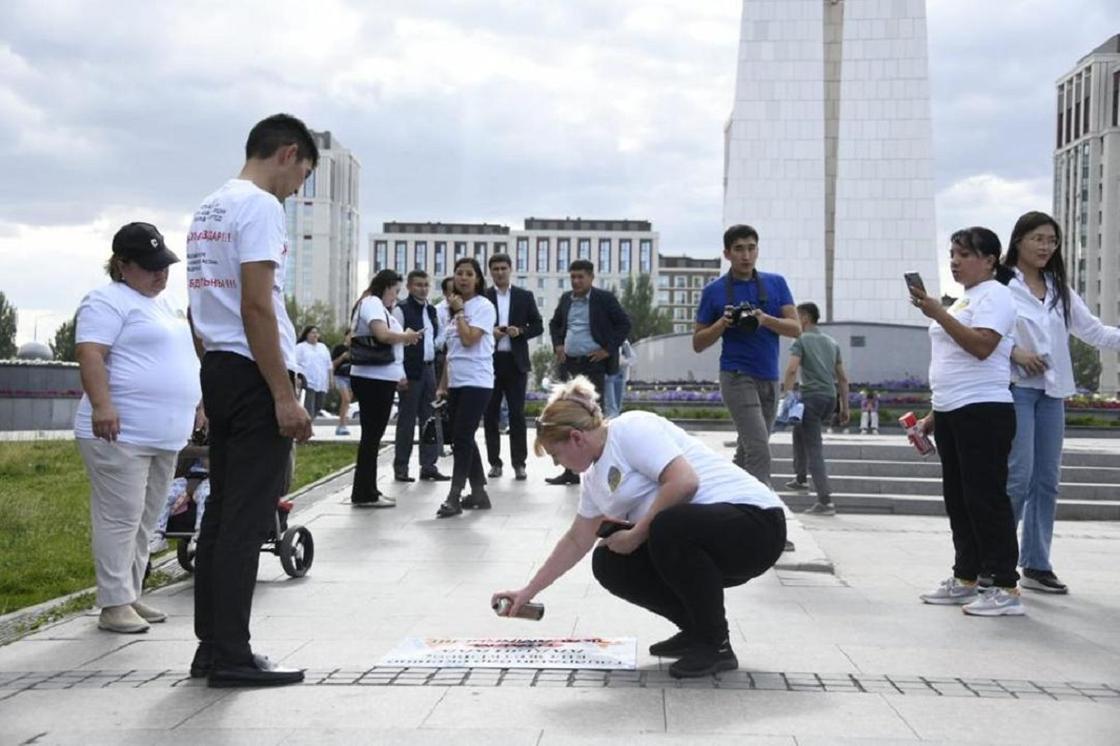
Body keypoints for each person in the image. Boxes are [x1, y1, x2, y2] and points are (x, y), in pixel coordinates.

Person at [492, 376, 786, 678]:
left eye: (556, 454)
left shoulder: (631, 429)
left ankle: (715, 644)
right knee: (609, 561)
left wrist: (636, 533)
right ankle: (698, 629)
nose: (557, 464)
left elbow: (685, 483)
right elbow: (577, 539)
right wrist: (527, 591)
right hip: (707, 541)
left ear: (577, 438)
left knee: (667, 526)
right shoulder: (592, 478)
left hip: (757, 527)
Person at [185, 113, 316, 687]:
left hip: (219, 365)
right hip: (253, 370)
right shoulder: (262, 207)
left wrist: (212, 378)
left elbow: (198, 309)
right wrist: (282, 396)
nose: (297, 190)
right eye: (302, 176)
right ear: (287, 154)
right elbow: (257, 306)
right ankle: (234, 654)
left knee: (219, 513)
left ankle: (211, 647)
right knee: (246, 515)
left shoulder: (207, 208)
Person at [74, 222, 201, 634]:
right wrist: (103, 405)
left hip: (164, 435)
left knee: (147, 520)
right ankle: (113, 604)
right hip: (119, 432)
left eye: (163, 265)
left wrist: (198, 401)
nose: (160, 273)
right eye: (149, 267)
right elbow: (90, 354)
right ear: (122, 265)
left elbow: (183, 356)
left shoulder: (165, 305)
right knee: (120, 517)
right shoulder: (105, 301)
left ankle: (129, 593)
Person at [1002, 211, 1120, 594]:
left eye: (1052, 240)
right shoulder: (1001, 284)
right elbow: (976, 332)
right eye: (1038, 238)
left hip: (1052, 393)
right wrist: (1014, 352)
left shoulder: (1059, 288)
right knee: (1018, 477)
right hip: (1016, 389)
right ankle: (997, 559)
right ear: (1019, 240)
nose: (1046, 246)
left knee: (1047, 481)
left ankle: (1036, 563)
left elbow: (1095, 332)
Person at [908, 227, 1024, 617]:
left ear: (990, 260)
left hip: (984, 411)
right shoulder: (964, 301)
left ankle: (1006, 586)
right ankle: (966, 577)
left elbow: (980, 347)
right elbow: (949, 363)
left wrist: (937, 311)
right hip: (953, 410)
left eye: (964, 254)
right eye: (953, 253)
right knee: (959, 500)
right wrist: (933, 415)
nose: (955, 261)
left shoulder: (998, 296)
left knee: (986, 499)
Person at [693, 225, 801, 486]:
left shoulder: (776, 284)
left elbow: (796, 328)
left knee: (747, 449)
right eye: (739, 249)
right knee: (759, 451)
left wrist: (764, 319)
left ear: (757, 250)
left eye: (751, 248)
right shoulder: (714, 291)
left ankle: (725, 495)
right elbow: (697, 343)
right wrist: (721, 324)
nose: (746, 255)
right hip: (736, 376)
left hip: (769, 377)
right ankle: (760, 511)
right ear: (727, 254)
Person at [546, 259, 632, 485]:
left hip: (593, 364)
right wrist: (558, 345)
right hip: (569, 364)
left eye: (580, 276)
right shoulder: (566, 299)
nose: (576, 281)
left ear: (591, 277)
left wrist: (607, 349)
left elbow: (624, 324)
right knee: (566, 416)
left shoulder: (604, 299)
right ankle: (569, 472)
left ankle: (599, 471)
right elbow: (554, 324)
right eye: (572, 277)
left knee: (593, 417)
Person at [350, 269, 421, 506]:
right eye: (395, 291)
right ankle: (364, 493)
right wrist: (406, 336)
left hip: (379, 377)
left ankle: (368, 489)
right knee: (371, 436)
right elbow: (381, 335)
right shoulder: (371, 302)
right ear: (386, 286)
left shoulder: (377, 305)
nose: (396, 297)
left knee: (373, 436)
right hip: (372, 378)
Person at [435, 257, 497, 517]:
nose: (462, 278)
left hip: (478, 380)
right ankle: (479, 492)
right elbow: (451, 353)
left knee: (461, 436)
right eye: (459, 273)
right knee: (464, 436)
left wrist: (460, 312)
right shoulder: (451, 309)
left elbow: (470, 340)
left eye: (469, 274)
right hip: (457, 382)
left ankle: (455, 494)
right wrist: (442, 385)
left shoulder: (483, 306)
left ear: (478, 279)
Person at [781, 302, 849, 514]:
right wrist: (845, 407)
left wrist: (788, 395)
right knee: (798, 430)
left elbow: (792, 370)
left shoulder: (801, 340)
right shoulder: (831, 342)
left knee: (814, 447)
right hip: (829, 398)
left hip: (811, 397)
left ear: (805, 318)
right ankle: (801, 478)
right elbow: (843, 378)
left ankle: (825, 500)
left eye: (796, 317)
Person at [484, 252, 544, 481]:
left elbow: (538, 326)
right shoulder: (483, 297)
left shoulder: (524, 296)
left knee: (517, 414)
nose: (499, 272)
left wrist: (520, 331)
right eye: (495, 269)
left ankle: (519, 463)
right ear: (491, 272)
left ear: (510, 269)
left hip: (516, 362)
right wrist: (492, 333)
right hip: (490, 362)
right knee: (490, 414)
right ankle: (494, 463)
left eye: (503, 268)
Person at [392, 270, 449, 482]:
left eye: (426, 285)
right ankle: (401, 466)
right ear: (409, 286)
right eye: (418, 285)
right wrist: (399, 373)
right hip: (410, 370)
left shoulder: (432, 310)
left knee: (430, 419)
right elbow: (396, 343)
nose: (423, 288)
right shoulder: (401, 309)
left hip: (429, 370)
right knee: (407, 421)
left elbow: (437, 337)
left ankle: (428, 465)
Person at [295, 325, 332, 420]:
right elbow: (295, 363)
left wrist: (331, 379)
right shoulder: (300, 347)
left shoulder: (323, 347)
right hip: (307, 381)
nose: (315, 335)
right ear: (307, 334)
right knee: (309, 407)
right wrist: (297, 378)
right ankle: (308, 426)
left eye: (316, 332)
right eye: (312, 332)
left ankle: (309, 423)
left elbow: (329, 365)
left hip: (322, 382)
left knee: (318, 406)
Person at [603, 339, 635, 419]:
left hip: (619, 373)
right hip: (608, 373)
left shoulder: (624, 342)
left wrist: (623, 361)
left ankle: (614, 419)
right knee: (611, 405)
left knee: (617, 403)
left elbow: (633, 358)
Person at [330, 338, 352, 436]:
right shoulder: (339, 348)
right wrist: (342, 357)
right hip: (340, 377)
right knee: (346, 399)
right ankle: (342, 425)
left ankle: (342, 425)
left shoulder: (357, 348)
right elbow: (332, 364)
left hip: (352, 377)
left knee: (347, 402)